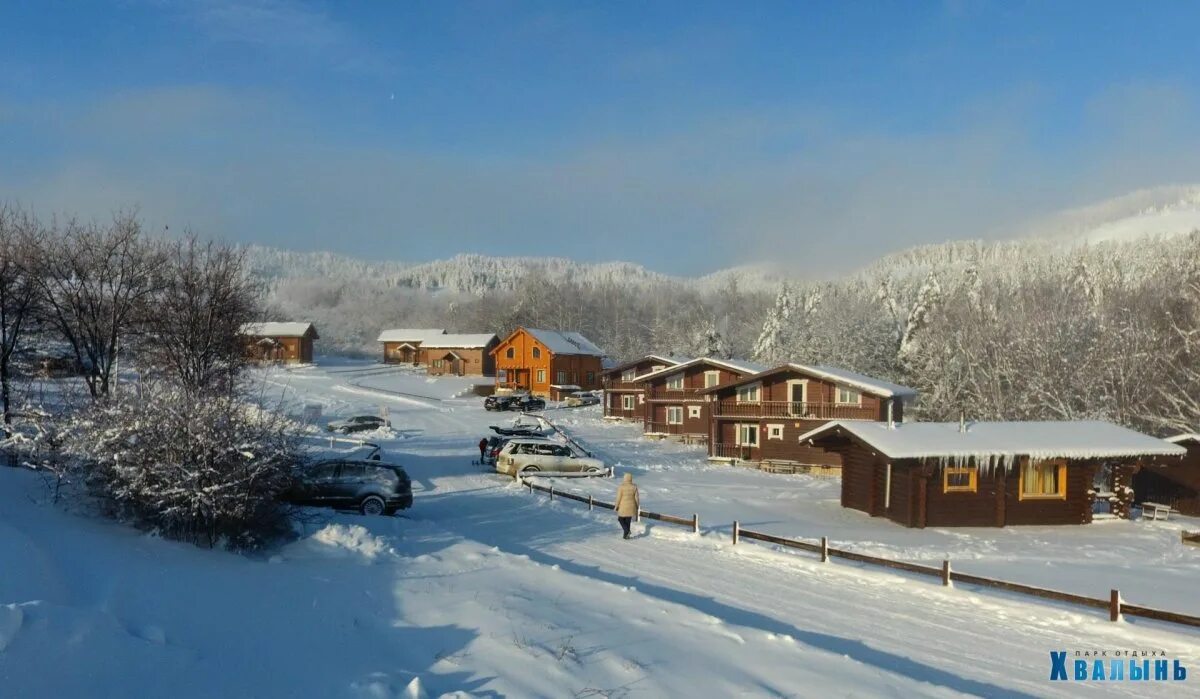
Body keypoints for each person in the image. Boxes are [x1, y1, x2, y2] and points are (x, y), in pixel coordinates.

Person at [613, 472, 640, 540]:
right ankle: (626, 535)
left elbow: (618, 498)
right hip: (632, 506)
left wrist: (616, 506)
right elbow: (637, 497)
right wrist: (637, 505)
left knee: (620, 519)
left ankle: (627, 531)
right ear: (631, 479)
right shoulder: (634, 487)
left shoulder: (621, 487)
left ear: (624, 478)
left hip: (623, 506)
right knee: (628, 521)